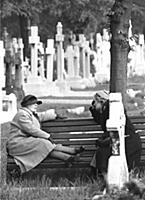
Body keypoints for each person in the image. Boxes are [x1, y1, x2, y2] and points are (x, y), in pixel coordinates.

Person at [6, 95, 85, 175]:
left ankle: (70, 156)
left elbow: (42, 116)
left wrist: (56, 114)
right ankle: (72, 152)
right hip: (17, 144)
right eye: (34, 103)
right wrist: (48, 136)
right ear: (27, 104)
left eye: (37, 103)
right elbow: (31, 129)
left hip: (26, 142)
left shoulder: (30, 114)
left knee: (44, 144)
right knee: (43, 143)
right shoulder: (22, 114)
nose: (36, 105)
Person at [89, 91, 141, 176]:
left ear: (101, 101)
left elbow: (110, 127)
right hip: (125, 141)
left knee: (102, 153)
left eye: (94, 102)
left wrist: (102, 141)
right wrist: (93, 110)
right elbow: (101, 120)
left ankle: (100, 176)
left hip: (128, 142)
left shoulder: (111, 109)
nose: (93, 105)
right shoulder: (107, 109)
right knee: (100, 152)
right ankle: (97, 175)